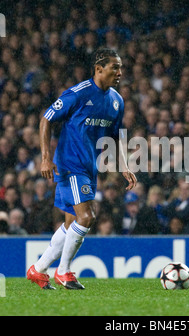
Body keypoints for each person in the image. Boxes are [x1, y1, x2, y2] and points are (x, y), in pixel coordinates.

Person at [27, 48, 137, 290]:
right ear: (99, 69)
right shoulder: (78, 94)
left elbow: (115, 137)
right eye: (114, 67)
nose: (119, 72)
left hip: (89, 166)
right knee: (87, 217)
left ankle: (37, 269)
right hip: (70, 164)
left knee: (71, 224)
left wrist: (125, 165)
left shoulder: (117, 101)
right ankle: (63, 272)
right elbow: (46, 119)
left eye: (120, 68)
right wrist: (46, 158)